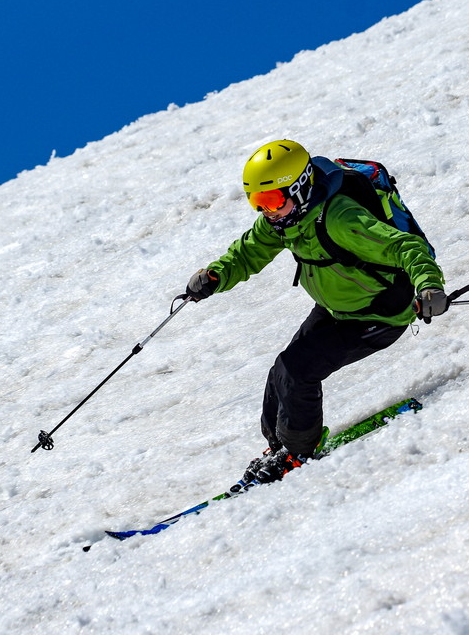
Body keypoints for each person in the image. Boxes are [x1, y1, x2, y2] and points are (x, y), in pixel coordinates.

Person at [184, 140, 448, 485]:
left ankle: (298, 452)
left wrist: (429, 286)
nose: (267, 211)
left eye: (273, 200)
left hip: (378, 313)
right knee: (281, 372)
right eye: (258, 203)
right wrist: (216, 276)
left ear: (300, 187)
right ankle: (279, 447)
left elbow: (405, 247)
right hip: (336, 308)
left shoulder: (341, 218)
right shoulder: (284, 220)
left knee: (297, 371)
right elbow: (248, 253)